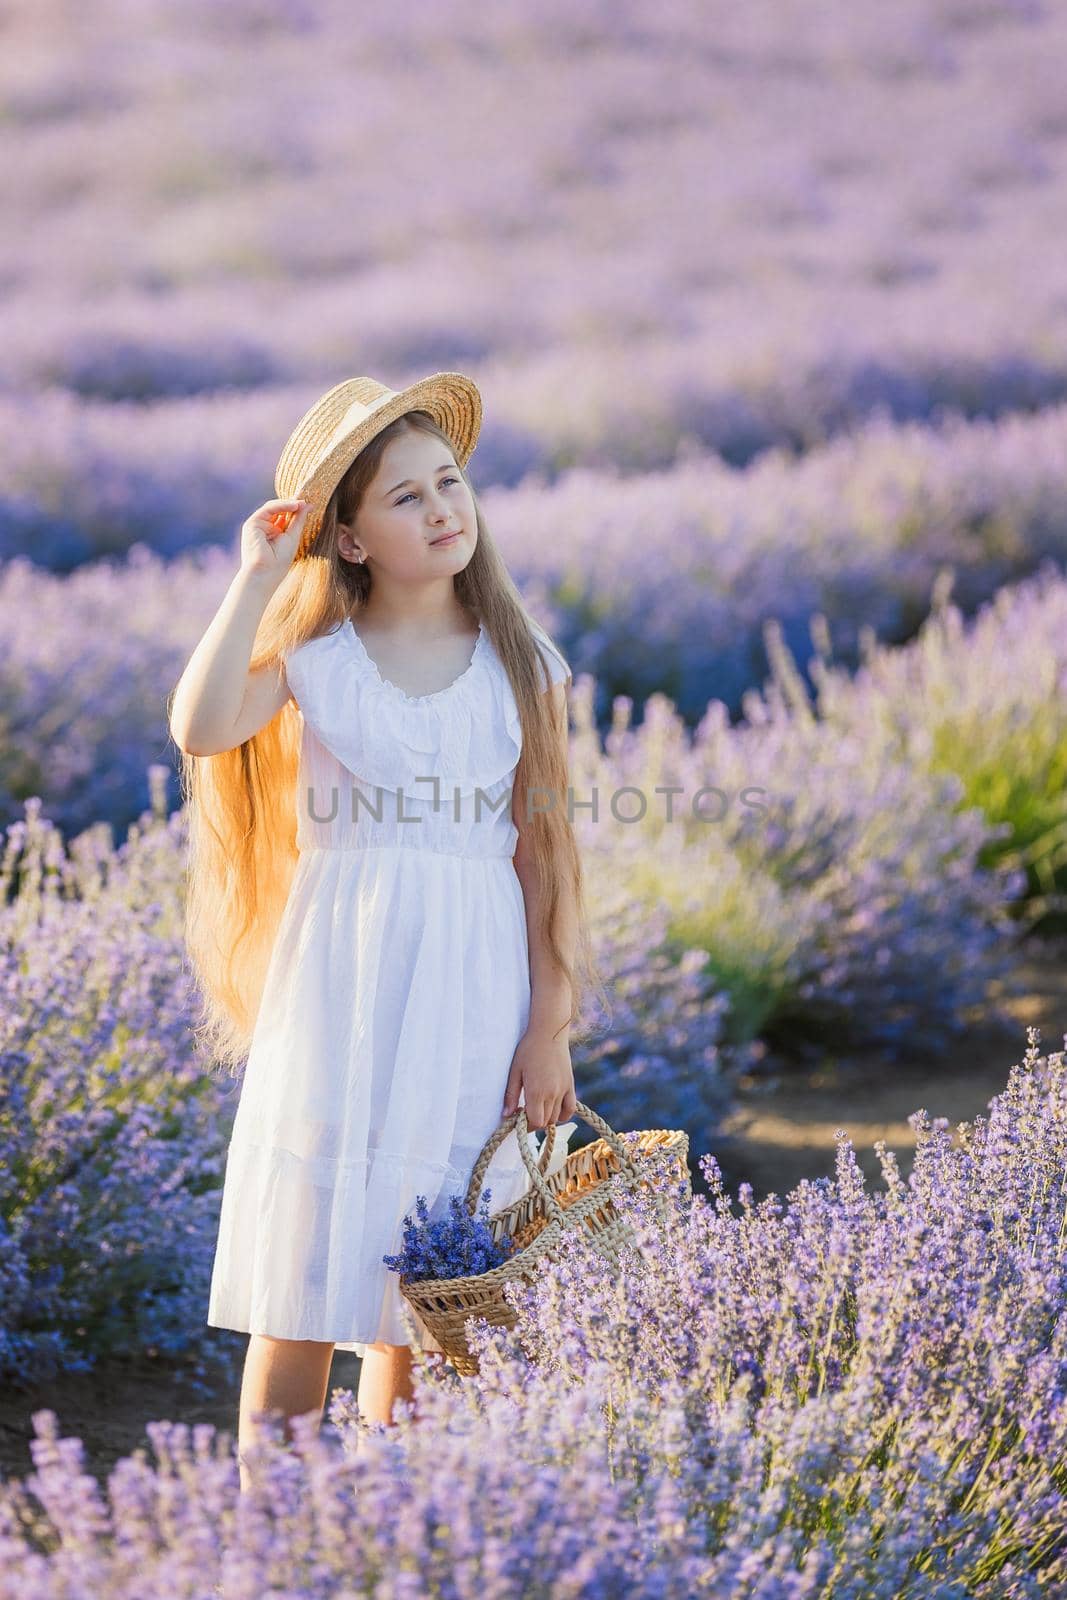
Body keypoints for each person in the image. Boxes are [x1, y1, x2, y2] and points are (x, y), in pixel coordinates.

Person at [167, 372, 606, 1490]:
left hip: (476, 982)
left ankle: (387, 1519)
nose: (440, 508)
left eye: (447, 483)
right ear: (351, 538)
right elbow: (201, 723)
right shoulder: (316, 657)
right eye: (403, 498)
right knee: (306, 1268)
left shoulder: (522, 662)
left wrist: (549, 1021)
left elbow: (546, 853)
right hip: (341, 983)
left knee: (425, 1285)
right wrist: (257, 578)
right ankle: (272, 1524)